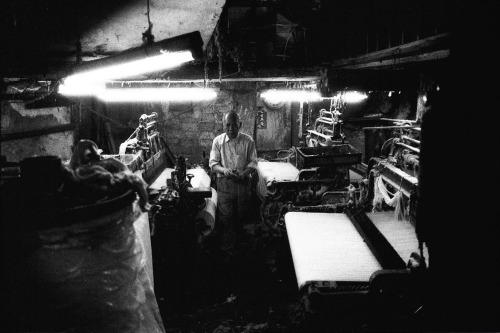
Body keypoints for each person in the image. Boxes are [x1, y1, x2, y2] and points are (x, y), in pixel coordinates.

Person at [209, 111, 258, 256]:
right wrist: (225, 171)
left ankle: (241, 249)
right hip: (225, 183)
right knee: (226, 219)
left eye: (234, 125)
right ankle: (228, 250)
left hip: (243, 184)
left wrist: (244, 173)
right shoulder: (218, 141)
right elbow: (213, 164)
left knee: (242, 217)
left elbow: (253, 162)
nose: (230, 128)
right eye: (227, 125)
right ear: (223, 125)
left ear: (240, 125)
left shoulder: (248, 141)